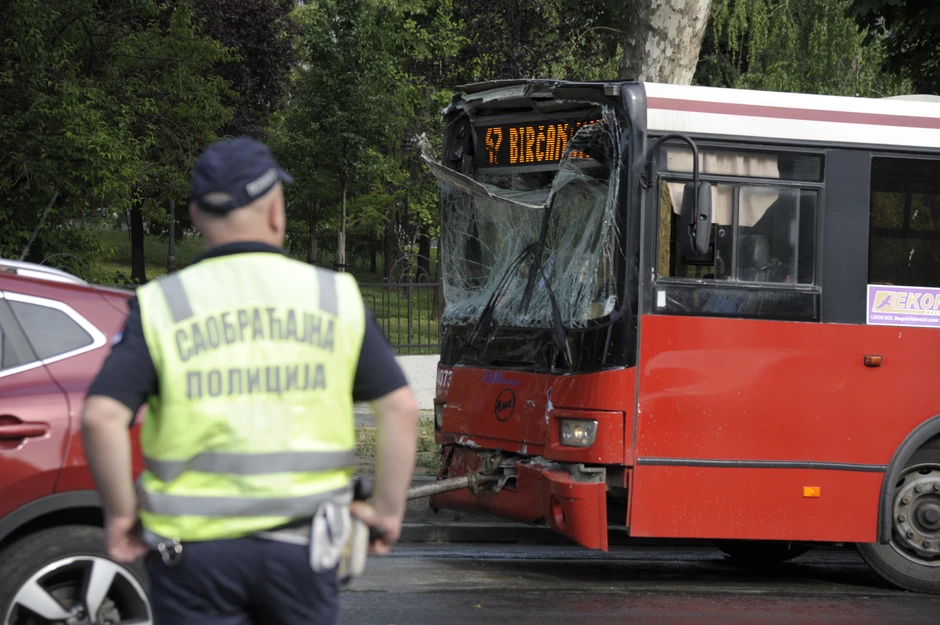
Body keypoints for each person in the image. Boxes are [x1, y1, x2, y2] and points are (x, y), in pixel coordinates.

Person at [80, 136, 419, 625]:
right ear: (276, 212)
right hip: (303, 550)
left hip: (193, 557)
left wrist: (120, 515)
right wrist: (387, 512)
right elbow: (401, 409)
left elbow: (100, 416)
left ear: (196, 218)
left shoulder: (163, 305)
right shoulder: (333, 297)